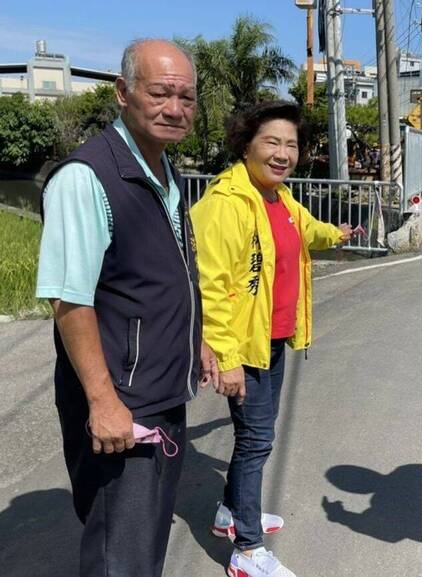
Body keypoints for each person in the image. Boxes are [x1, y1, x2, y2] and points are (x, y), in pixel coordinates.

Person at [35, 39, 218, 577]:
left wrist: (196, 340)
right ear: (123, 92)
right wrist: (103, 401)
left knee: (144, 543)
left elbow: (163, 279)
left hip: (163, 393)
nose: (175, 108)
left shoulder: (164, 171)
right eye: (161, 92)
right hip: (123, 405)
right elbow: (70, 300)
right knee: (122, 555)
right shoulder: (87, 177)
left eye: (186, 97)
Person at [191, 100, 353, 577]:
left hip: (274, 338)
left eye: (291, 144)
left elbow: (307, 229)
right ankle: (246, 549)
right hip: (245, 347)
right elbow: (212, 289)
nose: (283, 153)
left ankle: (230, 511)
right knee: (257, 440)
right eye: (272, 142)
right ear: (246, 145)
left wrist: (336, 234)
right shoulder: (226, 204)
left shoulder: (278, 198)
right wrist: (226, 357)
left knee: (255, 436)